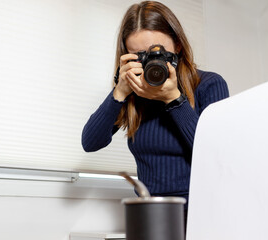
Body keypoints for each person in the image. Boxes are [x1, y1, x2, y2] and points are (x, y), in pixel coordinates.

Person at [81, 1, 229, 221]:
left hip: (203, 214)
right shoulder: (135, 94)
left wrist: (173, 100)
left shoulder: (208, 85)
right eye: (140, 55)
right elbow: (90, 143)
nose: (151, 61)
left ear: (177, 45)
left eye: (157, 52)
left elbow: (216, 154)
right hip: (150, 213)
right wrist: (119, 92)